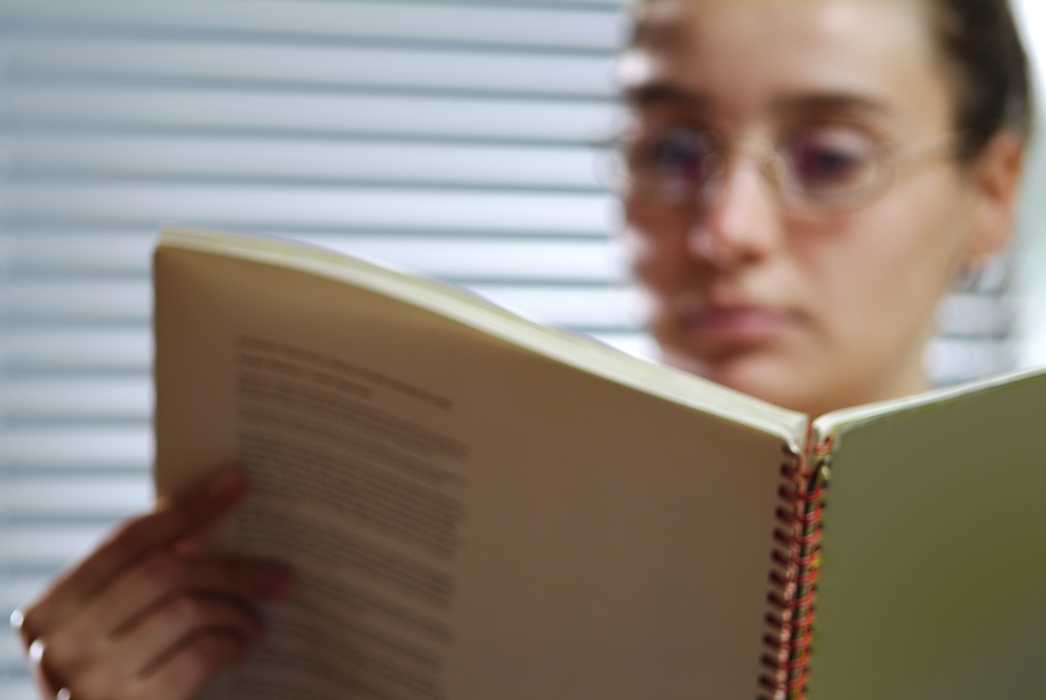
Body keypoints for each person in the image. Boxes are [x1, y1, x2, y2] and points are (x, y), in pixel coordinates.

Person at [12, 0, 1031, 698]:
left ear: (989, 194)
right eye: (671, 151)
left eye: (826, 158)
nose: (725, 230)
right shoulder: (339, 583)